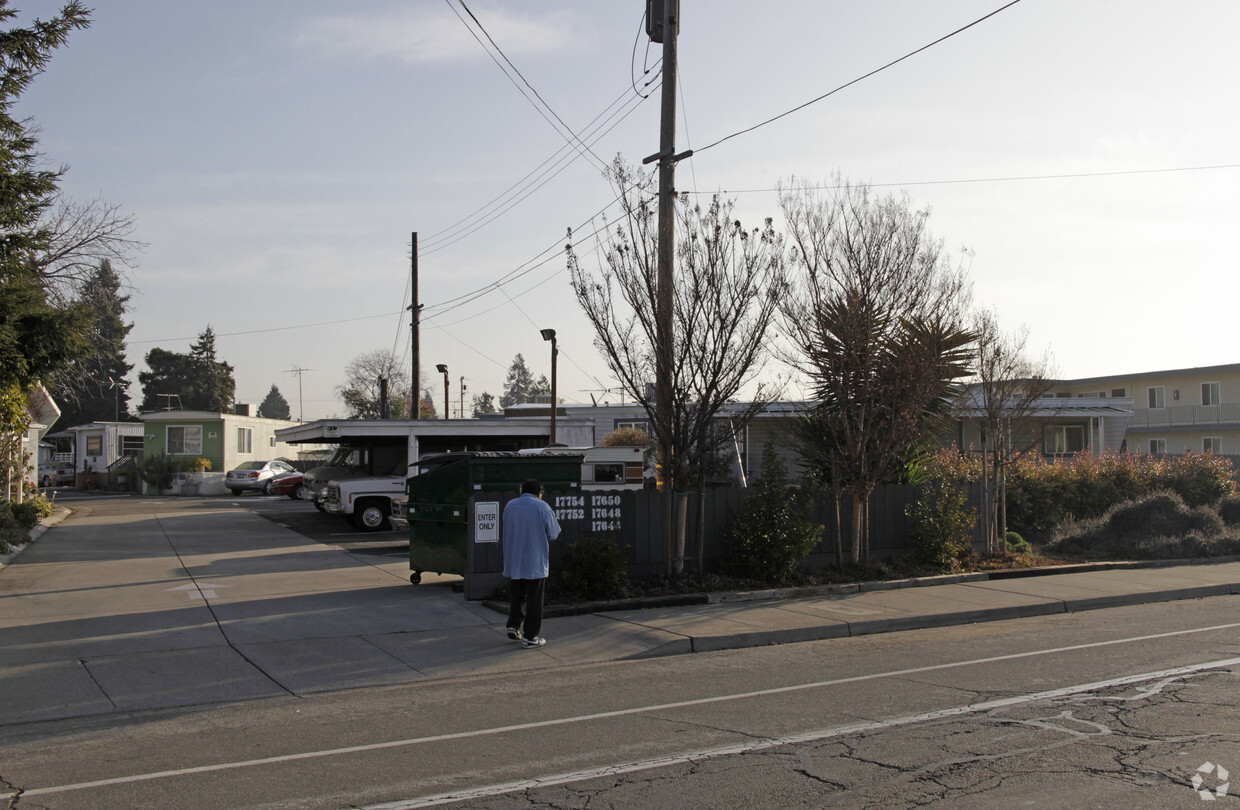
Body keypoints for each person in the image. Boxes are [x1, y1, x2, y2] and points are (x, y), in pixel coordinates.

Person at [502, 479, 561, 648]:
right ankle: (531, 636)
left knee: (517, 595)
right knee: (534, 600)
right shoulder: (542, 507)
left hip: (514, 558)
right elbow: (554, 533)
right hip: (535, 560)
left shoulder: (510, 505)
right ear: (539, 493)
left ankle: (513, 625)